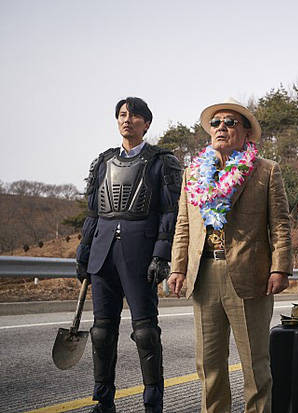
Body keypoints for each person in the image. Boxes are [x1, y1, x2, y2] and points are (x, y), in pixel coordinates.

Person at [167, 97, 293, 413]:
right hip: (204, 274)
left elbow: (280, 224)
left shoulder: (266, 171)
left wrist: (280, 268)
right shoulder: (193, 173)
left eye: (229, 122)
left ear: (247, 132)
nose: (221, 127)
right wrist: (177, 267)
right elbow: (183, 224)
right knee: (208, 364)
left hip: (250, 274)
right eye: (216, 122)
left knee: (255, 365)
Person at [75, 97, 183, 413]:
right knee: (101, 332)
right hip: (102, 252)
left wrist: (161, 255)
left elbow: (170, 212)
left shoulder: (162, 161)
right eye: (122, 115)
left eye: (134, 116)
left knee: (146, 332)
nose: (127, 120)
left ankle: (153, 404)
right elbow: (93, 212)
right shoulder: (103, 162)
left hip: (141, 254)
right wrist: (83, 251)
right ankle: (103, 402)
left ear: (146, 124)